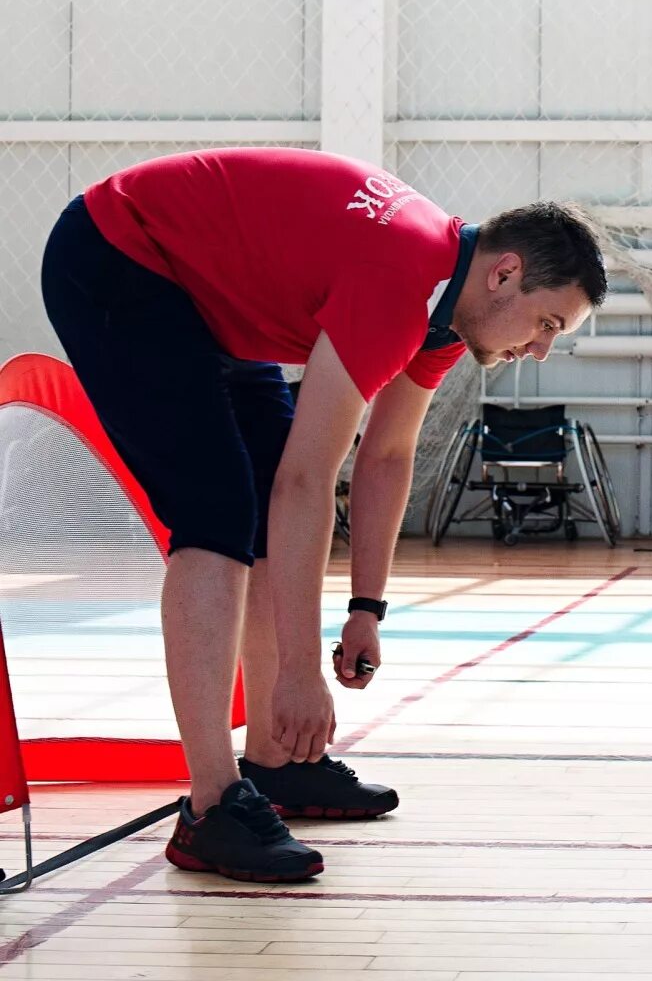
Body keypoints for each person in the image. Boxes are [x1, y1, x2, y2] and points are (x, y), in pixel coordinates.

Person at [40, 147, 607, 881]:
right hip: (118, 255)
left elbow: (387, 456)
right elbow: (306, 485)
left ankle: (276, 760)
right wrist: (302, 673)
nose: (541, 349)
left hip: (204, 295)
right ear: (505, 274)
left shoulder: (444, 307)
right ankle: (210, 808)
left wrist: (367, 608)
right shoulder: (402, 280)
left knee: (259, 485)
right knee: (217, 507)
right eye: (548, 323)